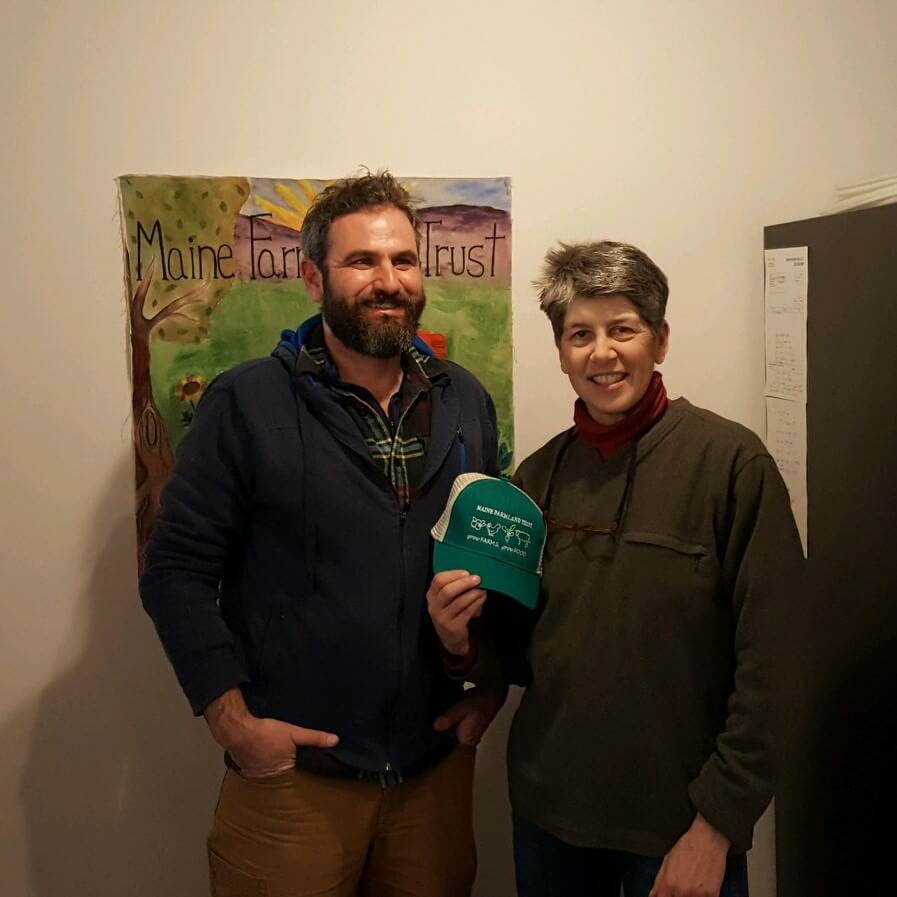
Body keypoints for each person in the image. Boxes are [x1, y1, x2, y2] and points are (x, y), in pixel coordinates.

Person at [140, 171, 504, 897]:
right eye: (361, 261)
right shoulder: (246, 402)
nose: (388, 281)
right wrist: (233, 721)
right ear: (313, 279)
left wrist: (488, 684)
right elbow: (175, 568)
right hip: (294, 783)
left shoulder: (464, 399)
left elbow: (492, 561)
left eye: (403, 259)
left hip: (431, 777)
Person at [428, 241, 804, 897]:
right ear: (561, 352)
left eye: (622, 329)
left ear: (660, 340)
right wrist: (459, 640)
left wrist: (717, 824)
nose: (601, 353)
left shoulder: (732, 467)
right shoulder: (536, 479)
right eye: (580, 334)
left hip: (680, 827)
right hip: (549, 821)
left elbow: (777, 666)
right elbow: (516, 649)